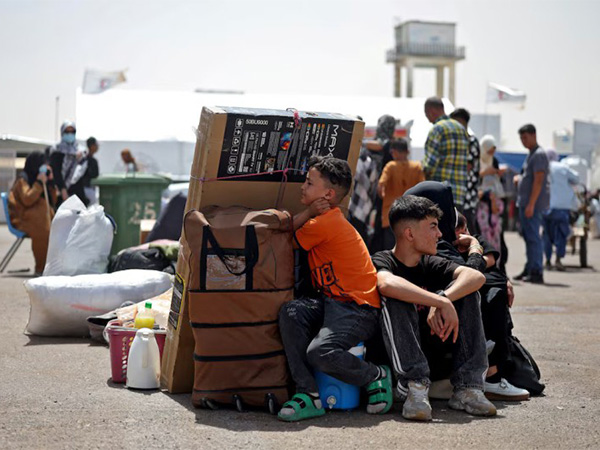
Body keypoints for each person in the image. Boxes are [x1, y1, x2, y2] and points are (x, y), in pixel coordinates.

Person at [278, 156, 392, 422]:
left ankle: (376, 375)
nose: (302, 187)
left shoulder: (324, 222)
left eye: (309, 183)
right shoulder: (324, 219)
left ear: (328, 195)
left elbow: (284, 239)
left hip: (357, 309)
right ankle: (309, 394)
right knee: (291, 312)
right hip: (332, 302)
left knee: (320, 353)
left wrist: (308, 213)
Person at [371, 195, 495, 421]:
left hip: (436, 363)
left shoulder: (431, 262)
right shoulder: (383, 259)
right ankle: (413, 388)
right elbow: (386, 284)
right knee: (397, 296)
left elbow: (475, 276)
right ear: (409, 234)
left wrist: (445, 296)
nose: (439, 234)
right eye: (433, 227)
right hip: (401, 369)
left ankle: (468, 388)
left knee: (468, 293)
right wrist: (438, 302)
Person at [406, 182, 529, 402]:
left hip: (431, 336)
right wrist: (474, 248)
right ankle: (488, 377)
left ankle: (486, 372)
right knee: (481, 291)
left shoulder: (428, 243)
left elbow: (479, 267)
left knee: (493, 284)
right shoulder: (434, 247)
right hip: (432, 341)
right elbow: (472, 275)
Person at [8, 152, 58, 275]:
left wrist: (50, 183)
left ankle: (52, 266)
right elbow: (27, 199)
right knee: (43, 230)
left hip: (37, 217)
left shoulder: (39, 180)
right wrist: (39, 183)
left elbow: (53, 201)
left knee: (53, 227)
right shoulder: (23, 180)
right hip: (22, 219)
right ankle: (41, 268)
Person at [513, 124, 550, 284]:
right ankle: (530, 268)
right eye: (521, 138)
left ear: (534, 135)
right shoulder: (531, 154)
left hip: (531, 205)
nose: (523, 141)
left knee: (533, 238)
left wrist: (531, 204)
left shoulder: (539, 154)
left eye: (525, 137)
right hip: (526, 203)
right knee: (529, 237)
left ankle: (536, 271)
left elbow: (539, 180)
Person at [377, 138, 425, 250]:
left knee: (390, 250)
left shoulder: (390, 166)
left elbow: (380, 187)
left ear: (394, 152)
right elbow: (422, 188)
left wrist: (384, 197)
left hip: (390, 215)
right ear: (407, 151)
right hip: (411, 215)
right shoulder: (417, 167)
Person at [422, 97, 470, 208]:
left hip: (439, 194)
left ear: (431, 111)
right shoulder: (461, 129)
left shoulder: (437, 129)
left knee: (439, 225)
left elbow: (429, 165)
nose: (428, 119)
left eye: (426, 114)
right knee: (455, 225)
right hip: (458, 195)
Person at [543, 149, 580, 271]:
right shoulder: (563, 167)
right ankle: (558, 260)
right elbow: (576, 179)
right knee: (561, 234)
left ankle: (548, 261)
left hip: (546, 208)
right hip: (562, 209)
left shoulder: (543, 168)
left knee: (547, 235)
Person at [449, 108, 480, 233]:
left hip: (467, 196)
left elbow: (467, 166)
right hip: (459, 195)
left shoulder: (470, 141)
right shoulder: (461, 140)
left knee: (466, 230)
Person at [49, 121, 89, 206]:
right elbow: (56, 171)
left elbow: (83, 172)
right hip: (60, 192)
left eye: (72, 132)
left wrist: (78, 160)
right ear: (62, 133)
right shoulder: (56, 150)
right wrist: (63, 189)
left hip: (77, 192)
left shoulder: (81, 151)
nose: (70, 134)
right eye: (67, 132)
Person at [82, 137, 100, 204]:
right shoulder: (88, 160)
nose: (97, 147)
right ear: (92, 146)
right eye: (96, 145)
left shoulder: (85, 158)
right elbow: (95, 174)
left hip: (88, 188)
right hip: (87, 189)